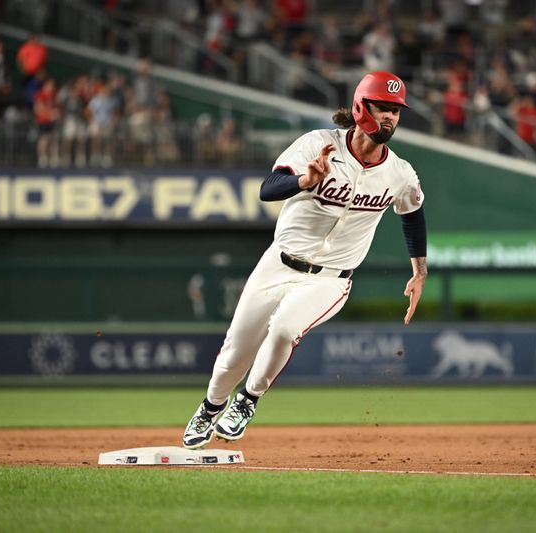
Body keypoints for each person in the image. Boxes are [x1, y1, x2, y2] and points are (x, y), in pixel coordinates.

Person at [182, 71, 427, 449]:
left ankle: (246, 401)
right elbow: (268, 189)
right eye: (383, 107)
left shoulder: (399, 172)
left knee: (283, 329)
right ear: (361, 107)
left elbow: (412, 211)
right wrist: (304, 180)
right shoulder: (317, 144)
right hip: (278, 264)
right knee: (235, 349)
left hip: (331, 280)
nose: (390, 117)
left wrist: (419, 270)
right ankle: (210, 407)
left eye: (396, 110)